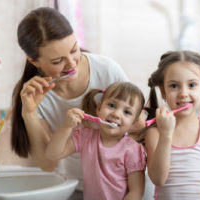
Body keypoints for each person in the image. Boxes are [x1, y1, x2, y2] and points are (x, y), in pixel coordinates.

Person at [11, 7, 129, 199]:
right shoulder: (33, 96)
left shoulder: (107, 71)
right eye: (58, 61)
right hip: (78, 188)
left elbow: (137, 128)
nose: (72, 64)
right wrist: (29, 113)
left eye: (74, 50)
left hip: (123, 185)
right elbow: (47, 163)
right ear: (34, 61)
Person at [144, 50, 200, 200]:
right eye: (174, 86)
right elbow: (158, 179)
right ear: (163, 91)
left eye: (192, 85)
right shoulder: (154, 133)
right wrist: (166, 135)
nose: (183, 93)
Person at [45, 82, 146, 200]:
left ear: (133, 123)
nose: (116, 114)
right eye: (112, 105)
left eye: (127, 112)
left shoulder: (133, 150)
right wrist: (67, 126)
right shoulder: (85, 136)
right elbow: (52, 154)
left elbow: (136, 192)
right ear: (99, 108)